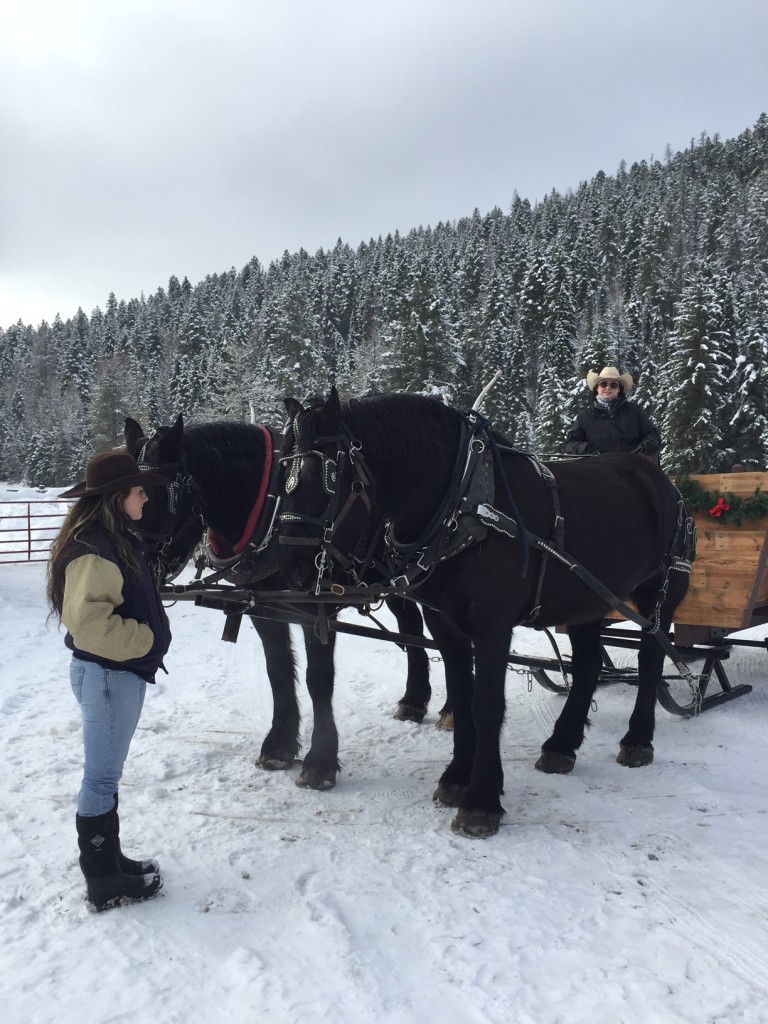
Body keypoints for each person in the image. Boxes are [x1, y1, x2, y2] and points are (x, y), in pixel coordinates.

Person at [47, 451, 172, 911]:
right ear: (120, 498)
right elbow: (89, 623)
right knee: (100, 778)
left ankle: (111, 861)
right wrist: (145, 640)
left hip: (114, 675)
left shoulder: (113, 540)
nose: (146, 499)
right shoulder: (96, 548)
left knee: (106, 776)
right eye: (141, 492)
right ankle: (103, 881)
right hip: (108, 675)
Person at [564, 365, 662, 459]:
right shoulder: (584, 416)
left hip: (634, 467)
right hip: (597, 469)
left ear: (619, 389)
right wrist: (587, 448)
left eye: (613, 385)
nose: (608, 387)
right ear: (597, 388)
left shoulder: (634, 411)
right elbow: (570, 444)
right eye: (603, 384)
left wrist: (650, 442)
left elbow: (652, 433)